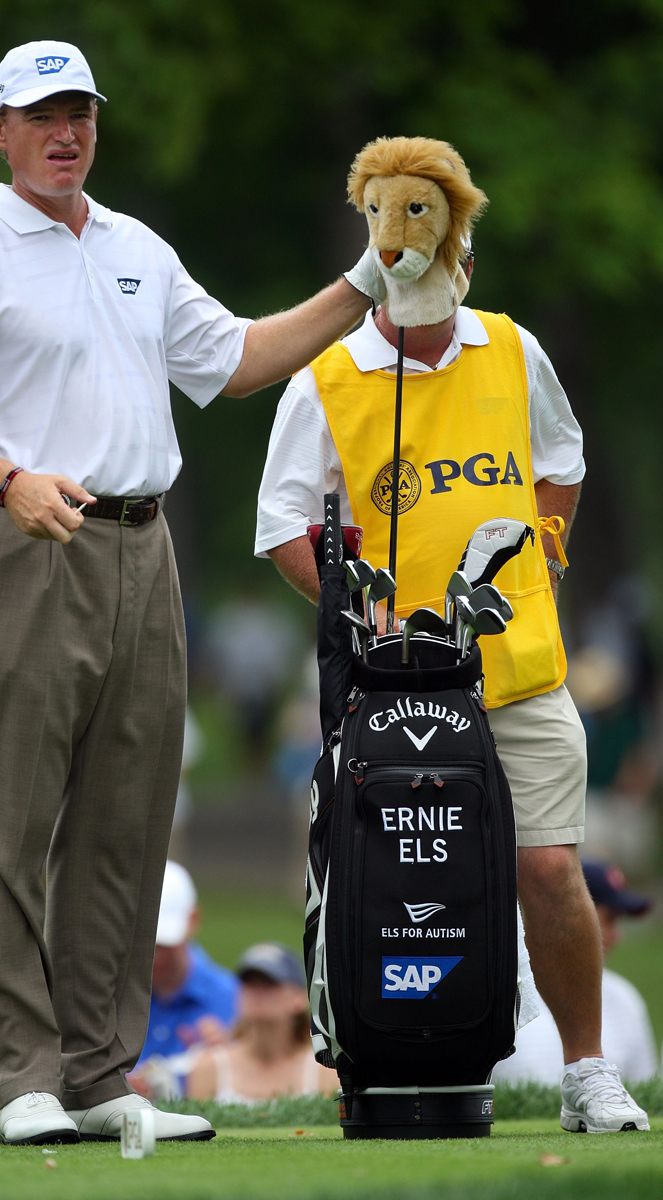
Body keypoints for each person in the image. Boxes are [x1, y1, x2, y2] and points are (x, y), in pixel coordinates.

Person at [0, 41, 379, 1146]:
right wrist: (5, 481)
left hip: (144, 551)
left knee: (127, 821)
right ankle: (21, 1076)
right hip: (24, 540)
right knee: (3, 820)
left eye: (80, 114)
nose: (65, 134)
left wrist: (365, 285)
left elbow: (235, 361)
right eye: (41, 115)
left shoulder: (137, 248)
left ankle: (100, 1074)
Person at [255, 136, 649, 1133]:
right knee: (400, 877)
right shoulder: (328, 375)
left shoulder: (513, 349)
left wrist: (541, 556)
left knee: (549, 870)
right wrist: (357, 611)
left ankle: (585, 1071)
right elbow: (281, 525)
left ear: (463, 257)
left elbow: (560, 464)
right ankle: (394, 1055)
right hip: (394, 689)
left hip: (518, 672)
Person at [493, 863, 657, 1086]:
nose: (617, 937)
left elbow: (645, 1091)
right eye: (609, 919)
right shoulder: (501, 991)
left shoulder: (624, 998)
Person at [128, 861, 239, 1098]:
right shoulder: (105, 997)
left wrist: (230, 1059)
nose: (155, 955)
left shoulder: (234, 1000)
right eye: (145, 942)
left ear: (193, 919)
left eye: (164, 943)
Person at [187, 943, 338, 1103]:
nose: (256, 991)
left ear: (298, 998)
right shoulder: (209, 1068)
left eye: (269, 983)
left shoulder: (325, 1071)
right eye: (249, 983)